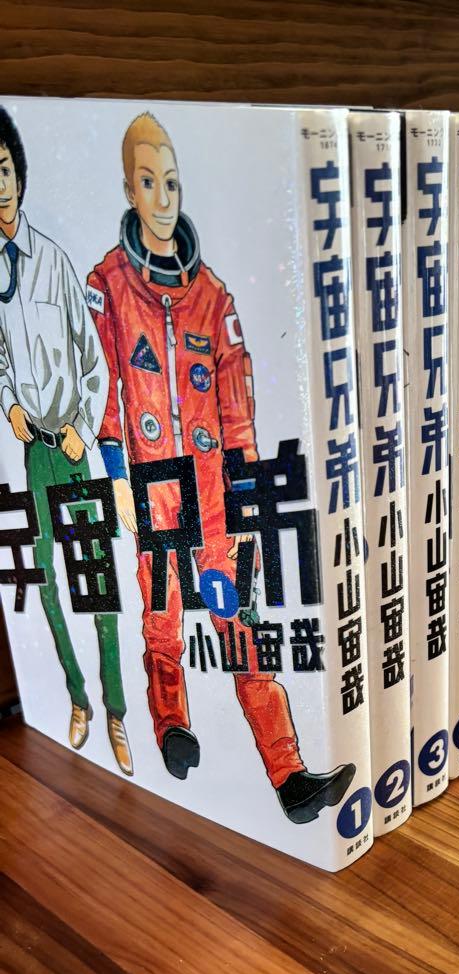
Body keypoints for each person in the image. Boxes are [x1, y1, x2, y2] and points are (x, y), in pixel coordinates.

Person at [88, 112, 353, 823]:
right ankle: (171, 725)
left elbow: (238, 409)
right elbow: (102, 383)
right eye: (149, 182)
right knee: (162, 615)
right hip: (151, 483)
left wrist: (244, 496)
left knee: (240, 619)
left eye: (172, 182)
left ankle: (288, 774)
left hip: (212, 492)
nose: (163, 197)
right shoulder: (108, 285)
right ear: (129, 190)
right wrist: (115, 470)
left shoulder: (214, 298)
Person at [0, 106, 132, 775]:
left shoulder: (51, 260)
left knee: (97, 580)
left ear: (19, 176)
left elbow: (94, 361)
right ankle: (75, 698)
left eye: (2, 168)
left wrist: (81, 427)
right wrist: (9, 403)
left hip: (73, 448)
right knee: (46, 581)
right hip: (34, 451)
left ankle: (115, 710)